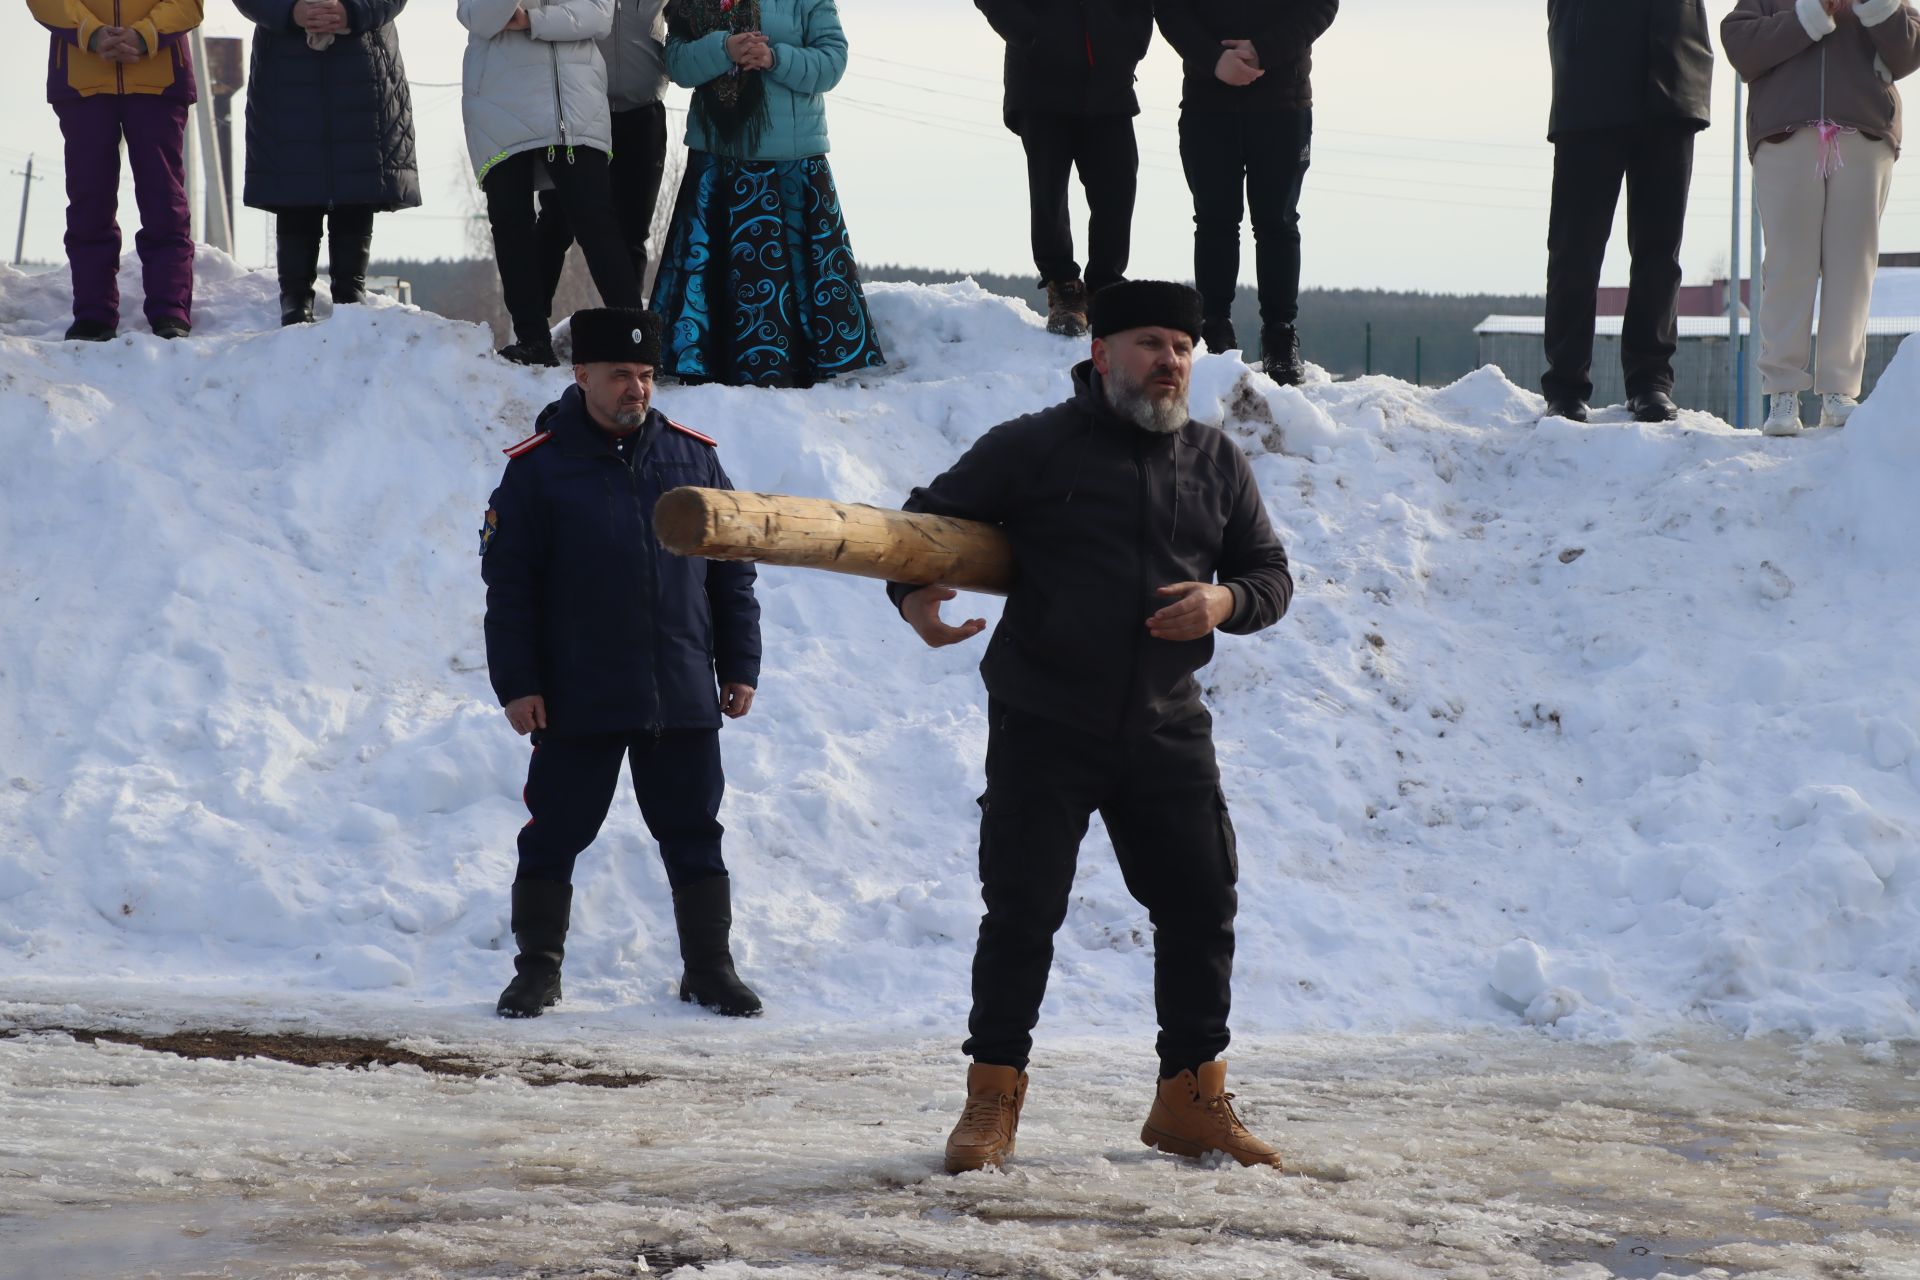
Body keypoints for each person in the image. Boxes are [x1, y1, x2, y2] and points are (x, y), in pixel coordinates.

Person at [885, 281, 1294, 1173]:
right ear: (1102, 352)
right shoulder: (1032, 448)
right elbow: (922, 524)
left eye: (1183, 346)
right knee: (1022, 912)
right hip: (1045, 718)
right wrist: (913, 595)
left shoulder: (1216, 461)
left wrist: (1225, 599)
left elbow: (1269, 574)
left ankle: (1192, 1097)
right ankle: (990, 1101)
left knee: (1200, 905)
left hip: (1165, 727)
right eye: (1151, 343)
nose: (1171, 361)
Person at [480, 306, 764, 1019]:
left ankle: (709, 968)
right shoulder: (539, 469)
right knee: (555, 833)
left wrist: (740, 665)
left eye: (644, 375)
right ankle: (537, 969)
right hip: (579, 693)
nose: (636, 389)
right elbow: (509, 589)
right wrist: (518, 684)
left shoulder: (693, 458)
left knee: (696, 835)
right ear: (582, 376)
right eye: (619, 376)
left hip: (680, 690)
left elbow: (731, 572)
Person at [650, 0, 886, 387]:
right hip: (719, 161)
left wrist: (774, 58)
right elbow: (676, 64)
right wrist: (723, 49)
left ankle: (800, 365)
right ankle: (711, 363)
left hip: (791, 163)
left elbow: (832, 62)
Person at [1723, 0, 1920, 437]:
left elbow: (1908, 50)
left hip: (1864, 133)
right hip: (1785, 133)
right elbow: (1739, 44)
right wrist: (1811, 15)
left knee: (1852, 265)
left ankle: (1839, 390)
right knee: (1788, 262)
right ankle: (1783, 392)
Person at [1541, 0, 1714, 424]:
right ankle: (1565, 384)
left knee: (1659, 249)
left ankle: (1650, 380)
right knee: (1575, 248)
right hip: (1589, 74)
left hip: (1673, 71)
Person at [1155, 0, 1338, 381]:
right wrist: (1213, 60)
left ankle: (1279, 336)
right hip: (1208, 100)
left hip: (1283, 100)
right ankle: (1214, 330)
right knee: (1214, 220)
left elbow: (1320, 6)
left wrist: (1263, 51)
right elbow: (1170, 9)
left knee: (1278, 221)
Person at [459, 0, 645, 367]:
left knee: (596, 220)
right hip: (500, 104)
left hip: (574, 107)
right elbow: (479, 17)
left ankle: (637, 338)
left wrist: (531, 20)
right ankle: (532, 339)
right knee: (511, 223)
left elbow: (598, 15)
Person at [235, 0, 421, 327]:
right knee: (295, 178)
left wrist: (352, 10)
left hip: (362, 62)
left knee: (357, 176)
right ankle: (294, 295)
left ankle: (351, 290)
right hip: (286, 66)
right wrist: (291, 11)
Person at [974, 0, 1153, 338]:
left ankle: (1106, 287)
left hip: (1109, 79)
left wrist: (1133, 41)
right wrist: (1032, 35)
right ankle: (1064, 288)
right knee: (1049, 191)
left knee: (1117, 186)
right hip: (1039, 79)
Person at [28, 0, 202, 342]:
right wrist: (90, 34)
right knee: (89, 200)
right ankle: (93, 314)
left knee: (164, 200)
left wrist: (145, 35)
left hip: (158, 77)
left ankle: (171, 310)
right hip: (83, 78)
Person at [534, 0, 674, 311]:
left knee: (633, 231)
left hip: (643, 114)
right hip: (577, 114)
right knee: (557, 220)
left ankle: (626, 331)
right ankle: (532, 333)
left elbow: (687, 23)